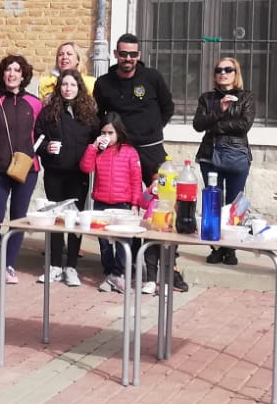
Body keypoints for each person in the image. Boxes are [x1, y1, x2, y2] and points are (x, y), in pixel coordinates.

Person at [93, 33, 184, 293]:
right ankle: (124, 267)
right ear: (115, 54)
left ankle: (169, 268)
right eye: (123, 54)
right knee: (127, 210)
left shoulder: (152, 78)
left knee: (165, 208)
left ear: (139, 56)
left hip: (153, 152)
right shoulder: (104, 83)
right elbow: (101, 117)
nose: (128, 59)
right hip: (122, 153)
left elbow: (168, 107)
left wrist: (152, 130)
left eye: (133, 54)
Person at [0, 55, 43, 284]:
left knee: (18, 219)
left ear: (24, 75)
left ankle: (9, 265)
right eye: (8, 70)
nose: (12, 74)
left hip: (27, 169)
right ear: (2, 73)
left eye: (17, 70)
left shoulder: (35, 103)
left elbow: (41, 134)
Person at [36, 69, 99, 287]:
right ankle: (54, 265)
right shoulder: (47, 113)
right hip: (54, 173)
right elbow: (36, 140)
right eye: (64, 85)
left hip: (78, 174)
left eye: (72, 85)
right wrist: (46, 147)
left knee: (75, 218)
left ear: (79, 87)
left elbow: (96, 140)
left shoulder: (88, 113)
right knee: (55, 217)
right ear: (59, 87)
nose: (68, 89)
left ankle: (71, 266)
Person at [193, 56, 258, 266]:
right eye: (219, 69)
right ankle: (215, 247)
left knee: (234, 205)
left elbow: (244, 125)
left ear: (235, 73)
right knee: (213, 203)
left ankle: (230, 249)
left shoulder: (246, 97)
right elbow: (198, 124)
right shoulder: (207, 98)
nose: (223, 73)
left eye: (228, 69)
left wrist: (216, 125)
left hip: (236, 156)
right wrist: (219, 110)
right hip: (209, 156)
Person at [80, 114, 143, 294]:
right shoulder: (98, 151)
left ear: (119, 133)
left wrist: (134, 204)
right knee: (105, 244)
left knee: (124, 242)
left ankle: (119, 274)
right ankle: (109, 274)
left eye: (110, 133)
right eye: (103, 132)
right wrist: (93, 147)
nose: (106, 136)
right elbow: (86, 167)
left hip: (122, 204)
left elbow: (136, 179)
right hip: (101, 202)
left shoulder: (129, 152)